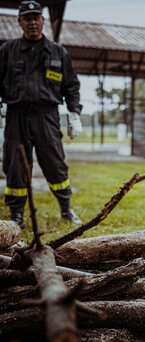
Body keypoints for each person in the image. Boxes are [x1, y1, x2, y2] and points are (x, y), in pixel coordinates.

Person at [0, 1, 83, 228]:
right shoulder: (8, 50)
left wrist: (74, 113)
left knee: (55, 163)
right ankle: (16, 214)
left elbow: (72, 86)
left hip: (47, 117)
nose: (32, 22)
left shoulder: (58, 52)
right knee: (16, 166)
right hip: (16, 116)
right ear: (20, 22)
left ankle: (66, 209)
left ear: (42, 21)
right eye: (27, 18)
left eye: (36, 17)